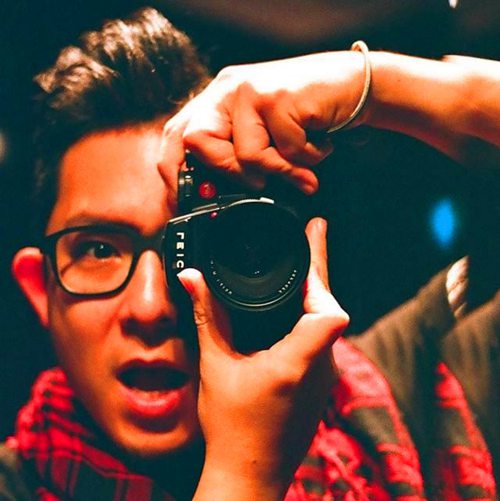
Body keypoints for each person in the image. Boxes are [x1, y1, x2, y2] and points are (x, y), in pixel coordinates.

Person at [2, 6, 498, 500]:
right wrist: (248, 469)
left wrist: (367, 83)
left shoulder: (409, 392)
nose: (150, 307)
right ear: (40, 288)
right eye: (99, 250)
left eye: (186, 246)